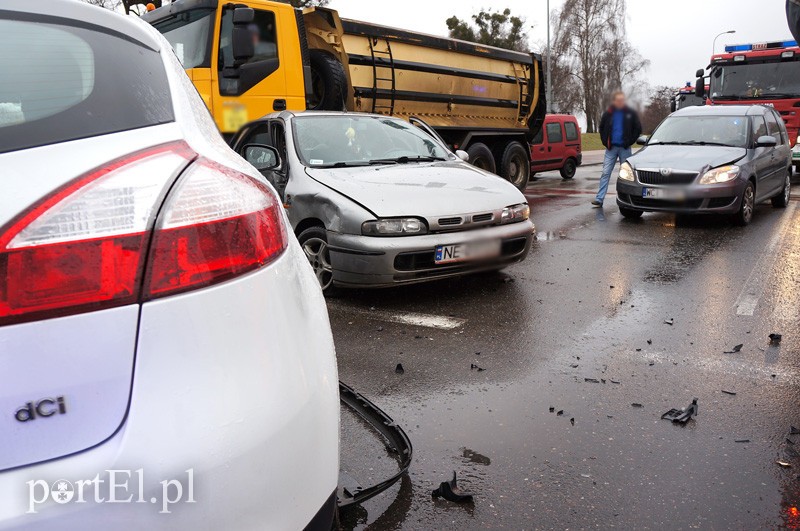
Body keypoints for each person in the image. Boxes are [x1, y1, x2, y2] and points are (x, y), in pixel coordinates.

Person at [592, 91, 642, 207]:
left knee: (627, 176)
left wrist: (630, 141)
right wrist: (605, 141)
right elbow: (602, 127)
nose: (620, 102)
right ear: (614, 101)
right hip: (611, 149)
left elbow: (638, 129)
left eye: (622, 100)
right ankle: (599, 199)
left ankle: (627, 200)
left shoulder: (630, 114)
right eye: (618, 100)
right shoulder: (608, 113)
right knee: (605, 173)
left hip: (625, 149)